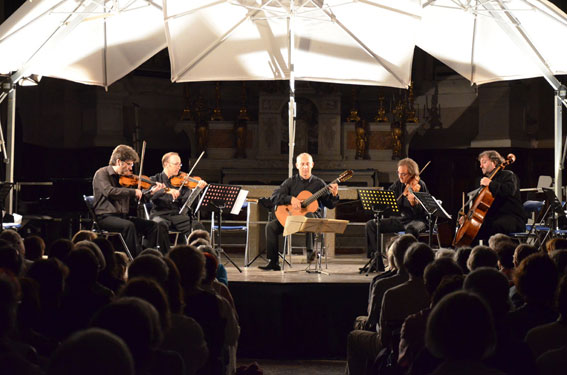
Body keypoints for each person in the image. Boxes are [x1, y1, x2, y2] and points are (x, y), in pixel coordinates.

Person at [260, 153, 339, 271]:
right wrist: (290, 199)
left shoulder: (319, 184)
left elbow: (330, 205)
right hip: (292, 219)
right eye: (302, 164)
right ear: (297, 165)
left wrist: (334, 195)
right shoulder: (290, 182)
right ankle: (273, 262)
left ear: (312, 165)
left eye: (307, 164)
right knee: (271, 226)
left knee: (309, 215)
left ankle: (310, 253)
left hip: (312, 220)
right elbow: (275, 196)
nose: (305, 167)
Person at [92, 144, 170, 256]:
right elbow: (110, 192)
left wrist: (151, 193)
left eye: (131, 164)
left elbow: (134, 202)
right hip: (105, 217)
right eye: (128, 164)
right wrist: (133, 192)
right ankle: (135, 258)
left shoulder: (125, 178)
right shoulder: (102, 173)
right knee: (129, 226)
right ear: (119, 162)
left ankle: (145, 254)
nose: (131, 168)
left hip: (122, 217)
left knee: (153, 226)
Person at [365, 158, 428, 271]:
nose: (400, 177)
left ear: (412, 174)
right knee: (371, 224)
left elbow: (421, 212)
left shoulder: (420, 185)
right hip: (400, 220)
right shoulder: (398, 184)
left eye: (403, 174)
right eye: (399, 173)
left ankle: (407, 263)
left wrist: (413, 202)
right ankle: (377, 262)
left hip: (417, 220)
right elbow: (389, 200)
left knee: (411, 229)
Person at [468, 150, 527, 243]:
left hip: (512, 217)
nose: (481, 166)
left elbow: (508, 191)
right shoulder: (485, 180)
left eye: (484, 162)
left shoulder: (508, 175)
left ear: (494, 162)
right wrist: (468, 218)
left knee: (493, 226)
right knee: (473, 228)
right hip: (495, 217)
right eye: (480, 163)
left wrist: (490, 183)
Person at [148, 152, 208, 242]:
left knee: (197, 226)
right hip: (160, 214)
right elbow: (148, 194)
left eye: (180, 164)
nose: (179, 167)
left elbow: (187, 202)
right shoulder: (154, 179)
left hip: (178, 215)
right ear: (166, 164)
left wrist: (197, 190)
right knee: (160, 225)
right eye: (176, 164)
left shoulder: (183, 181)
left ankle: (200, 254)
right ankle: (165, 255)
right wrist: (165, 190)